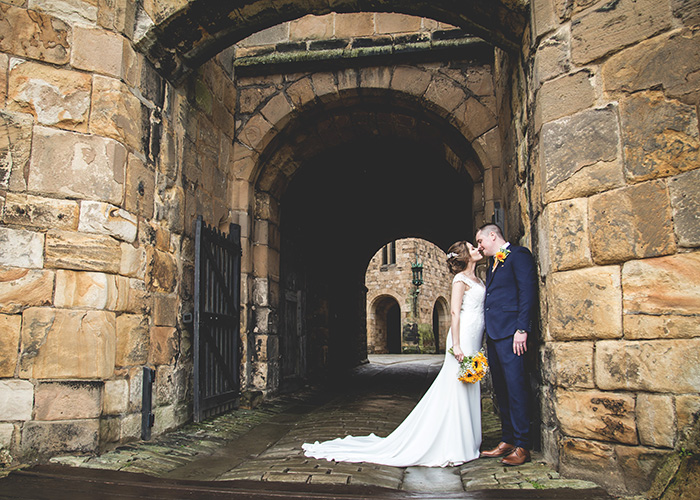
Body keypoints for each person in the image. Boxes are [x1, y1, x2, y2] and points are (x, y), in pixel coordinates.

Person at [302, 241, 486, 467]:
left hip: (474, 336)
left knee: (470, 385)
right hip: (463, 338)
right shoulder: (459, 280)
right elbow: (455, 313)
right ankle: (455, 442)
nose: (477, 248)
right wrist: (456, 344)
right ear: (465, 255)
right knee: (457, 387)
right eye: (472, 247)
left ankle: (468, 439)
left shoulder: (478, 278)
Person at [475, 223, 537, 466]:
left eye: (481, 241)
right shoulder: (493, 264)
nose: (479, 246)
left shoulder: (518, 256)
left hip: (512, 334)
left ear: (493, 236)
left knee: (516, 387)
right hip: (495, 334)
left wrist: (522, 329)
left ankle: (523, 445)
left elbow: (527, 292)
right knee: (501, 388)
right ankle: (508, 439)